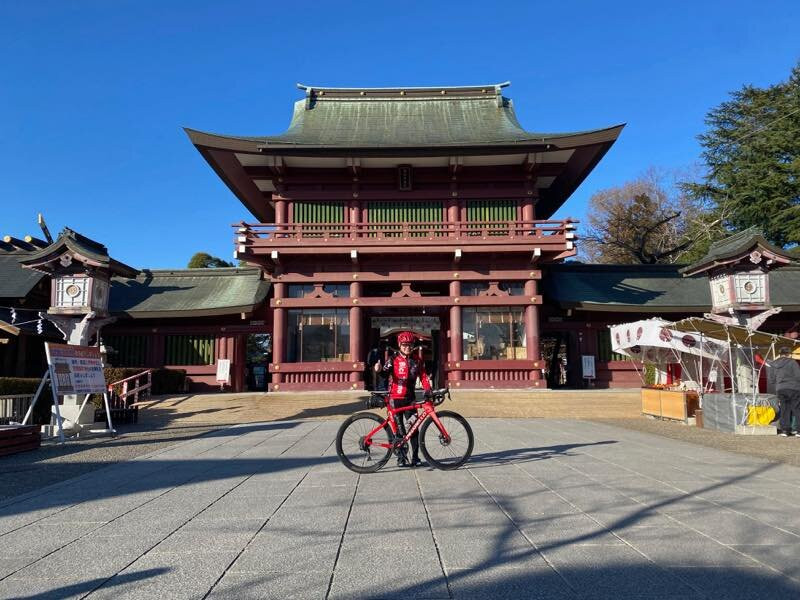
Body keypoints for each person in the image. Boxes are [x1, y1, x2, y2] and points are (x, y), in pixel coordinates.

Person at [374, 331, 432, 467]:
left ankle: (416, 457)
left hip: (410, 399)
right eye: (405, 345)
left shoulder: (417, 360)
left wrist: (428, 389)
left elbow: (423, 377)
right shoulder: (393, 359)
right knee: (399, 431)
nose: (407, 347)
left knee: (414, 428)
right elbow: (384, 374)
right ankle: (401, 458)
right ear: (400, 345)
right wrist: (379, 370)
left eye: (410, 345)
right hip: (395, 399)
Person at [767, 346, 800, 437]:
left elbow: (771, 379)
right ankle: (798, 431)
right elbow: (798, 376)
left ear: (780, 354)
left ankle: (785, 430)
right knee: (797, 409)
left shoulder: (773, 364)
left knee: (784, 409)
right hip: (794, 388)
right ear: (789, 354)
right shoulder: (792, 362)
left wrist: (779, 384)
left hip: (781, 388)